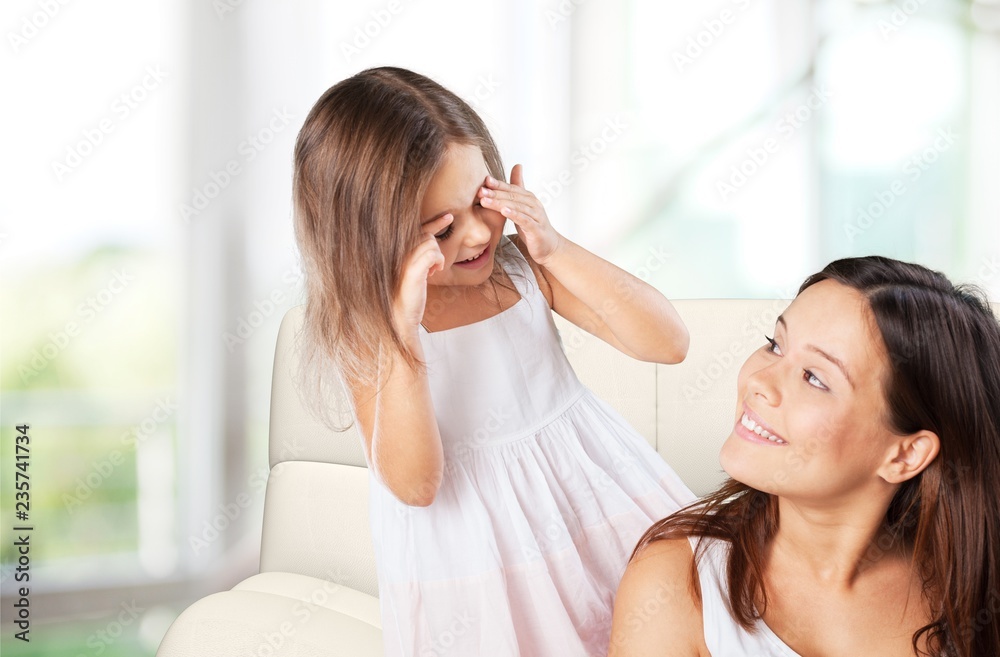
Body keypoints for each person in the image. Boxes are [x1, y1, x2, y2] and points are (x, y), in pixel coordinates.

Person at [291, 66, 696, 656]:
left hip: (589, 502)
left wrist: (553, 247)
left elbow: (668, 341)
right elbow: (416, 484)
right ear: (371, 236)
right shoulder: (371, 330)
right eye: (443, 228)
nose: (479, 234)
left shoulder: (520, 271)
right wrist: (403, 333)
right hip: (479, 553)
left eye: (485, 199)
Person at [609, 256, 1000, 657]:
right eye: (775, 345)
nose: (760, 382)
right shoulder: (675, 584)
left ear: (905, 455)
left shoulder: (972, 598)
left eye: (814, 377)